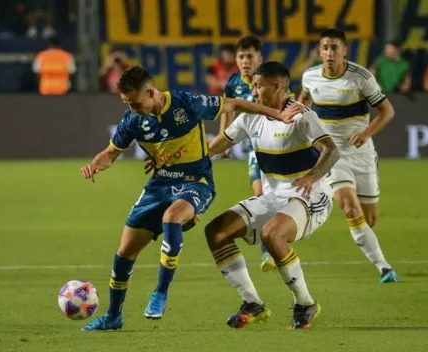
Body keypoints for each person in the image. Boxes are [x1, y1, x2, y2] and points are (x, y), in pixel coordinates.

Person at [79, 66, 298, 331]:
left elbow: (234, 103)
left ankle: (160, 293)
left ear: (151, 92)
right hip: (159, 185)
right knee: (124, 253)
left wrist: (277, 114)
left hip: (196, 182)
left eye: (135, 102)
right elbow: (110, 153)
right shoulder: (133, 120)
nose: (133, 108)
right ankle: (114, 316)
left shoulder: (186, 103)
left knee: (172, 218)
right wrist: (95, 164)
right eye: (127, 103)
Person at [206, 61, 340, 330]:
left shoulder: (302, 116)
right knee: (216, 232)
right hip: (273, 197)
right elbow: (215, 146)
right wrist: (177, 160)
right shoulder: (250, 117)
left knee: (272, 234)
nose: (253, 93)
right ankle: (252, 303)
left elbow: (332, 151)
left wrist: (311, 176)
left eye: (258, 86)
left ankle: (305, 304)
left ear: (276, 86)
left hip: (310, 196)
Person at [299, 29, 398, 283]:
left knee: (369, 218)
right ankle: (384, 267)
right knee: (349, 208)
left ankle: (374, 252)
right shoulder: (310, 77)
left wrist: (366, 133)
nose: (330, 53)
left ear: (344, 50)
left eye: (335, 48)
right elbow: (303, 104)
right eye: (325, 48)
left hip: (361, 152)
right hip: (331, 154)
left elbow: (387, 111)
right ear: (319, 52)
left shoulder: (361, 77)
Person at [219, 35, 277, 272]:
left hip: (276, 145)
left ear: (259, 58)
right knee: (261, 194)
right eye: (241, 56)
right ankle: (268, 250)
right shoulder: (233, 83)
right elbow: (227, 109)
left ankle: (277, 238)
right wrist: (224, 139)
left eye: (249, 56)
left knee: (274, 197)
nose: (245, 61)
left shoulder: (270, 79)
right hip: (256, 148)